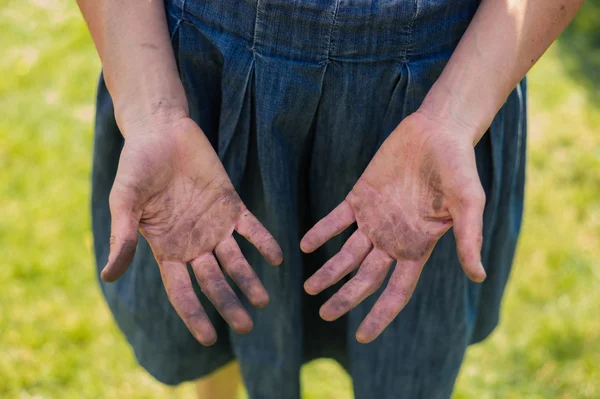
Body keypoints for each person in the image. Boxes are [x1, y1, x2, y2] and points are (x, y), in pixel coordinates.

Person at [77, 0, 582, 398]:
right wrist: (152, 110)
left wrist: (453, 118)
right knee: (214, 304)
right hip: (196, 75)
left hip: (446, 82)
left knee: (403, 362)